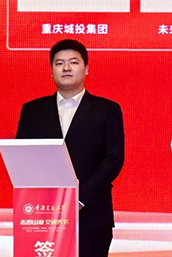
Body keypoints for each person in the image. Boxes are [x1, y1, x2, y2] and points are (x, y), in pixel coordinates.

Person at [14, 39, 125, 257]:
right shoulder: (32, 111)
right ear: (51, 71)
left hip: (91, 213)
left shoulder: (107, 110)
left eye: (73, 62)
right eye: (59, 63)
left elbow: (113, 159)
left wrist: (80, 197)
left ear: (86, 68)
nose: (66, 68)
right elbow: (23, 158)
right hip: (42, 212)